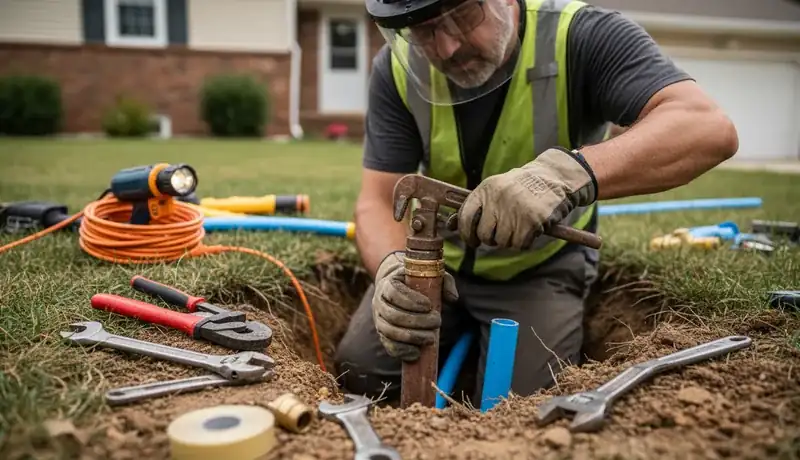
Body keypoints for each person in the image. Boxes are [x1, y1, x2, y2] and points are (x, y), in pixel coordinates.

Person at [333, 0, 739, 404]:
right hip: (437, 265)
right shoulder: (397, 68)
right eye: (423, 30)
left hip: (537, 267)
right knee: (361, 370)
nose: (446, 48)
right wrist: (390, 267)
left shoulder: (582, 37)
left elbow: (706, 127)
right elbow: (378, 199)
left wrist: (563, 176)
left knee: (524, 404)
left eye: (462, 16)